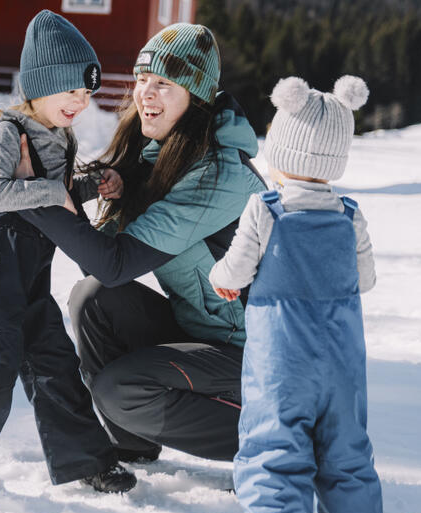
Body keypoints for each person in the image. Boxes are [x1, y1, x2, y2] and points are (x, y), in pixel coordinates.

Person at [17, 23, 267, 463]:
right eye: (143, 80)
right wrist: (73, 187)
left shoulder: (220, 177)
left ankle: (272, 439)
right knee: (92, 298)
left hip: (253, 356)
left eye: (165, 85)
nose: (145, 94)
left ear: (197, 97)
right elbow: (101, 268)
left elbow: (114, 263)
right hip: (200, 330)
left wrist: (34, 198)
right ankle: (131, 442)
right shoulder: (159, 155)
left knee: (122, 391)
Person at [0, 10, 135, 495]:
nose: (82, 102)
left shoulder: (58, 135)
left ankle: (88, 460)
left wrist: (92, 185)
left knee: (55, 362)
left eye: (87, 93)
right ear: (40, 85)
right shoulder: (9, 132)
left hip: (31, 268)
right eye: (72, 91)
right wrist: (51, 192)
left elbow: (51, 192)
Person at [208, 76, 382, 513]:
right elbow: (365, 280)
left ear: (281, 151)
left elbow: (236, 269)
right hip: (343, 368)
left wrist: (221, 279)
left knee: (274, 456)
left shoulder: (266, 210)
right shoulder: (349, 216)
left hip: (281, 367)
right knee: (348, 459)